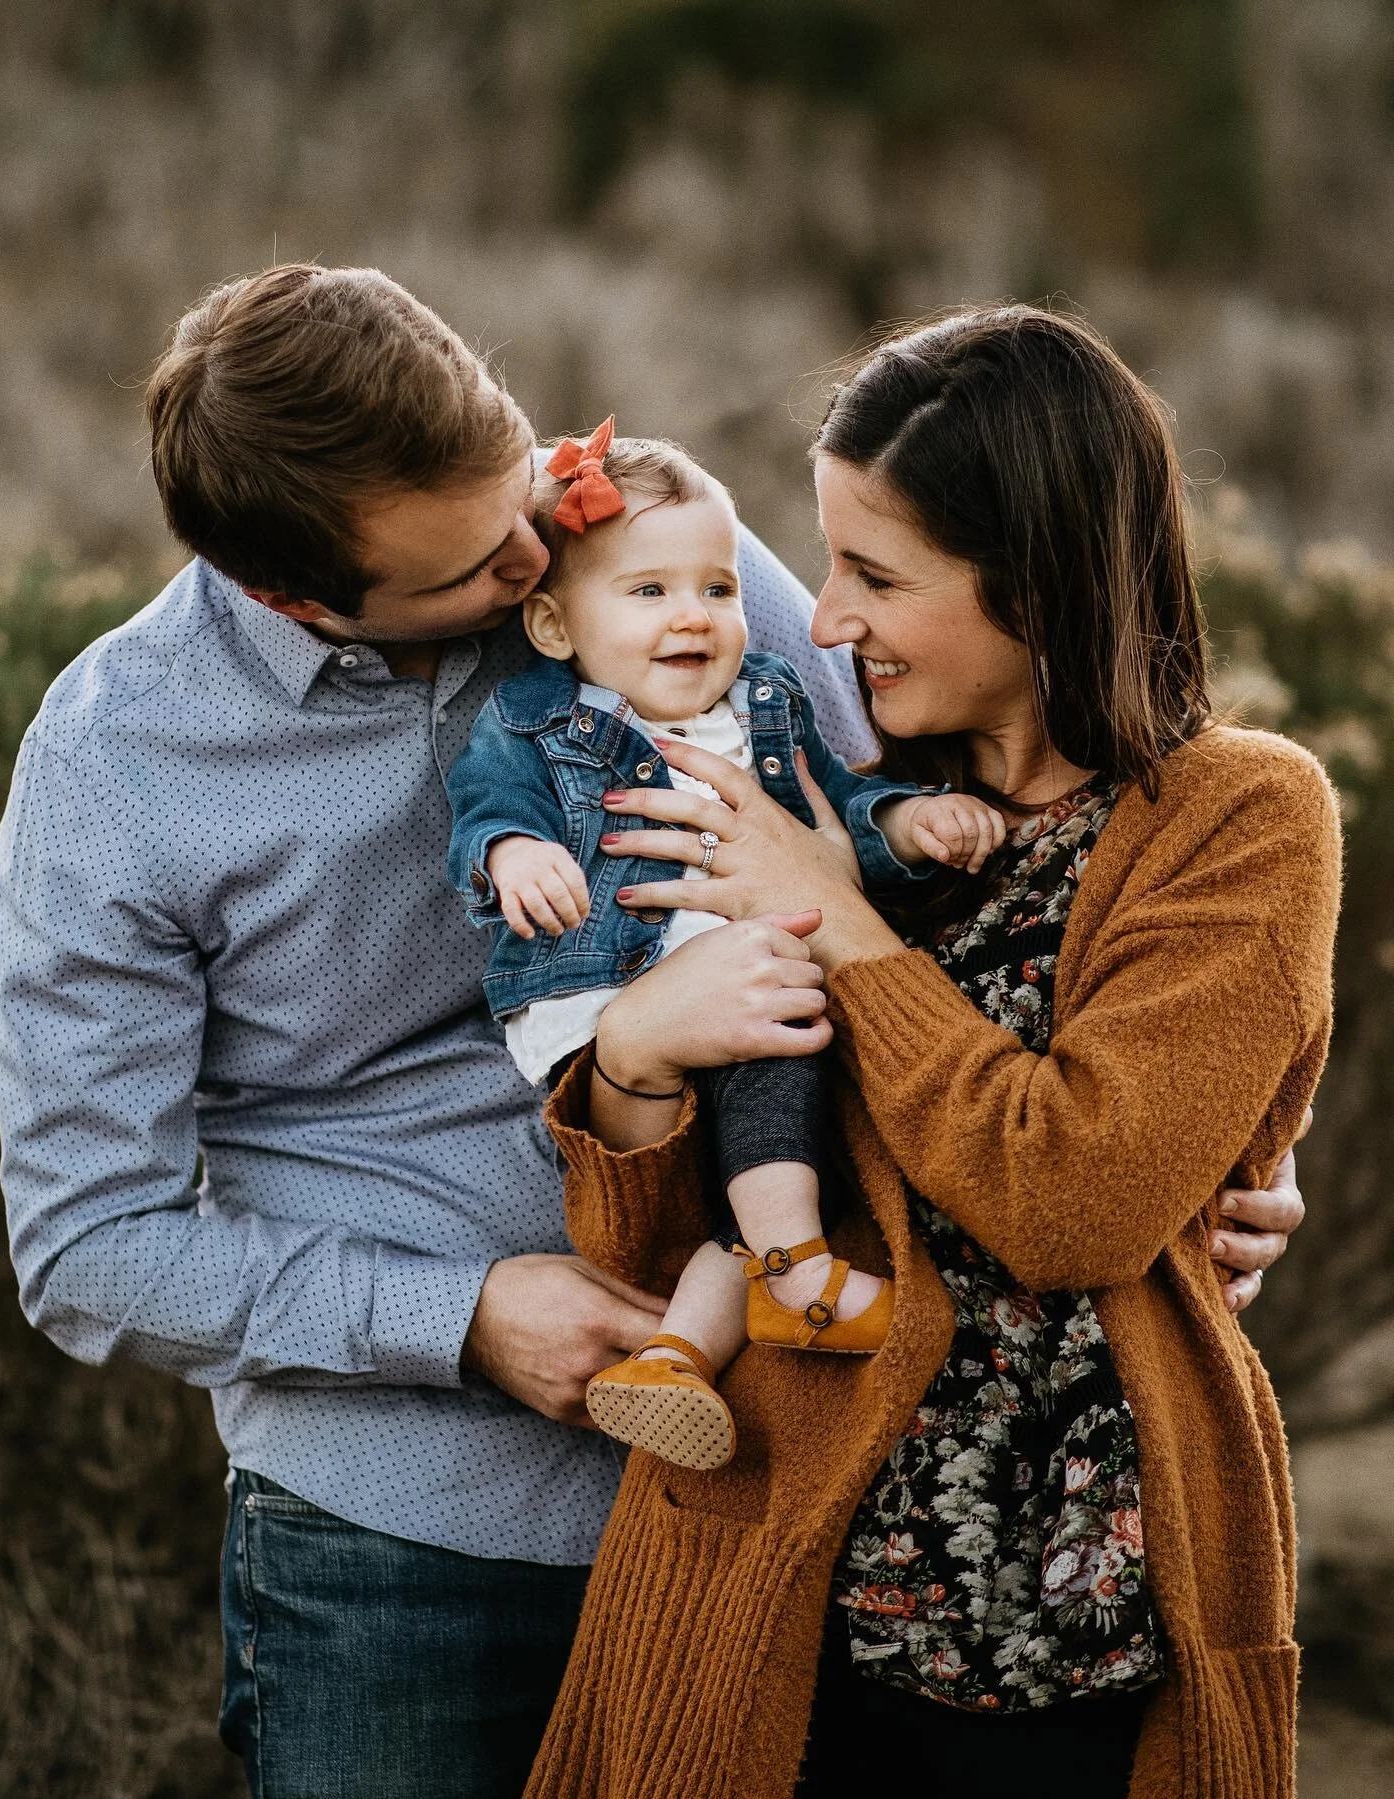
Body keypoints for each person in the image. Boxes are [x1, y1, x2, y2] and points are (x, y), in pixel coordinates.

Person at [0, 268, 1305, 1799]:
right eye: (480, 565)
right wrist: (461, 1317)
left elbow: (961, 799)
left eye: (525, 484)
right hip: (408, 1539)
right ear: (303, 596)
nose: (537, 547)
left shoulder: (632, 539)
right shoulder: (119, 770)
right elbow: (88, 1242)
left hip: (792, 1483)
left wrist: (1212, 1128)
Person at [522, 307, 1340, 1799]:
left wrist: (840, 923)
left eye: (877, 575)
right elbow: (655, 1249)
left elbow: (1077, 1200)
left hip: (1076, 1635)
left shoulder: (1237, 817)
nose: (826, 620)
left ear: (1036, 582)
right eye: (828, 563)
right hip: (767, 1586)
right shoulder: (828, 784)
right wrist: (632, 1054)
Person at [448, 421, 1007, 1470]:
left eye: (719, 587)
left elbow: (834, 813)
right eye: (649, 592)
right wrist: (515, 855)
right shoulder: (534, 722)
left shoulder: (769, 702)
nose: (693, 615)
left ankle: (676, 1354)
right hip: (606, 988)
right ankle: (798, 1272)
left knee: (753, 1147)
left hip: (749, 986)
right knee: (777, 1042)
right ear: (556, 626)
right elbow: (486, 812)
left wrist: (903, 824)